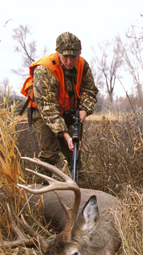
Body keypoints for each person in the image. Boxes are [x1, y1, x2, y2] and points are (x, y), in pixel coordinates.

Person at [20, 32, 99, 172]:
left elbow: (89, 90)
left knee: (74, 153)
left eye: (73, 57)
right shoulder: (44, 70)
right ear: (58, 52)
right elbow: (48, 108)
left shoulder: (82, 65)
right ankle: (41, 190)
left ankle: (82, 190)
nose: (69, 61)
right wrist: (66, 136)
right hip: (43, 111)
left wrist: (84, 111)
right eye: (65, 57)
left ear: (79, 54)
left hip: (67, 111)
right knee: (50, 153)